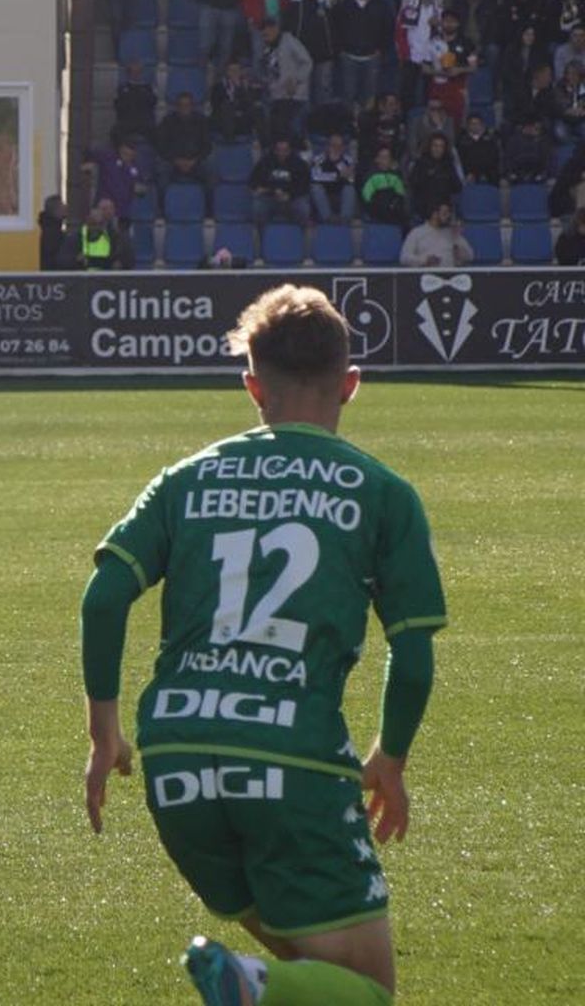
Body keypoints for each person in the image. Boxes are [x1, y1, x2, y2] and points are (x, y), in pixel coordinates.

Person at [81, 284, 445, 1006]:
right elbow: (412, 654)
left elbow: (104, 596)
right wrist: (390, 758)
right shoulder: (382, 493)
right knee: (366, 991)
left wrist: (104, 735)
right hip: (292, 761)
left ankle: (255, 986)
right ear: (350, 384)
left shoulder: (186, 478)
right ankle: (251, 985)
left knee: (315, 978)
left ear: (252, 386)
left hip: (178, 757)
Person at [335, 0, 395, 110]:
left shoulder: (381, 6)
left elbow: (388, 30)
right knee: (348, 96)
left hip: (372, 58)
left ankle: (367, 122)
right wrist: (341, 50)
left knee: (370, 98)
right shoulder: (344, 6)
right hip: (349, 57)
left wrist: (381, 50)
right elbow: (336, 29)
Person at [154, 92, 219, 208]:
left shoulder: (201, 121)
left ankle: (209, 211)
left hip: (196, 162)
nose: (184, 108)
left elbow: (207, 146)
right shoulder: (167, 121)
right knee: (161, 174)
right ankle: (162, 211)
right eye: (181, 105)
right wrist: (175, 160)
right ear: (176, 106)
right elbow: (161, 145)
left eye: (187, 105)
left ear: (192, 106)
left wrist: (195, 160)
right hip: (173, 162)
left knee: (211, 174)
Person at [249, 136, 312, 231]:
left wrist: (289, 195)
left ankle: (305, 233)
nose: (282, 153)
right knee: (258, 206)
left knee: (303, 208)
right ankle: (259, 234)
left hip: (292, 199)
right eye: (279, 150)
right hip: (270, 197)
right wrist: (268, 191)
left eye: (285, 150)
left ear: (290, 150)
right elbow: (253, 182)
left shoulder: (299, 163)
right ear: (275, 150)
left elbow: (304, 185)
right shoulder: (265, 162)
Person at [82, 139, 147, 228]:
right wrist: (86, 164)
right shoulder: (108, 158)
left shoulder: (135, 168)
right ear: (121, 150)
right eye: (125, 154)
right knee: (96, 230)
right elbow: (90, 153)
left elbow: (142, 187)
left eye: (130, 155)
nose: (127, 157)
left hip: (123, 212)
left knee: (120, 233)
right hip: (103, 206)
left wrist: (140, 189)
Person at [400, 198, 475, 265]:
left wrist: (457, 236)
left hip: (450, 273)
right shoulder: (417, 233)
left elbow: (470, 256)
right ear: (434, 214)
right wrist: (425, 260)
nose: (448, 216)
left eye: (449, 213)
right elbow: (404, 257)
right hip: (427, 273)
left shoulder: (452, 233)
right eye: (444, 213)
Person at [210, 59, 264, 143]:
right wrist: (233, 109)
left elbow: (250, 103)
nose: (235, 73)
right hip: (225, 120)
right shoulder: (219, 87)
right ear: (227, 72)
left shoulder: (247, 85)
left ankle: (263, 143)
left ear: (241, 72)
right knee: (227, 105)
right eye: (232, 70)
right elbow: (215, 106)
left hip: (242, 119)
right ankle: (229, 140)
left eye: (237, 70)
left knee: (258, 109)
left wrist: (243, 89)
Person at [309, 133, 359, 222]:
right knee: (315, 188)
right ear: (328, 147)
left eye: (340, 146)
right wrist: (337, 176)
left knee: (350, 189)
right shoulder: (318, 159)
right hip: (324, 193)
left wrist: (338, 163)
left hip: (340, 193)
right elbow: (315, 177)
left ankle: (344, 219)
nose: (337, 148)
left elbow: (351, 179)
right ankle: (328, 218)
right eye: (334, 145)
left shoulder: (348, 160)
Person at [361, 146, 411, 227]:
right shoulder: (370, 176)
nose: (385, 160)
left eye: (387, 157)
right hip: (376, 211)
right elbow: (367, 198)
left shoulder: (396, 176)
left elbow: (400, 194)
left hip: (393, 211)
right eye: (382, 157)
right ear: (377, 159)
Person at [455, 112, 502, 184]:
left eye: (477, 123)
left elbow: (495, 159)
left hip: (490, 176)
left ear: (482, 125)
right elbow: (460, 161)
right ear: (468, 126)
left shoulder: (491, 140)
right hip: (469, 177)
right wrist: (467, 173)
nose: (475, 126)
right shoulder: (461, 142)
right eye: (472, 123)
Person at [38, 195, 68, 270]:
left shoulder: (51, 228)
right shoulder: (51, 232)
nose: (66, 207)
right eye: (62, 205)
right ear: (55, 210)